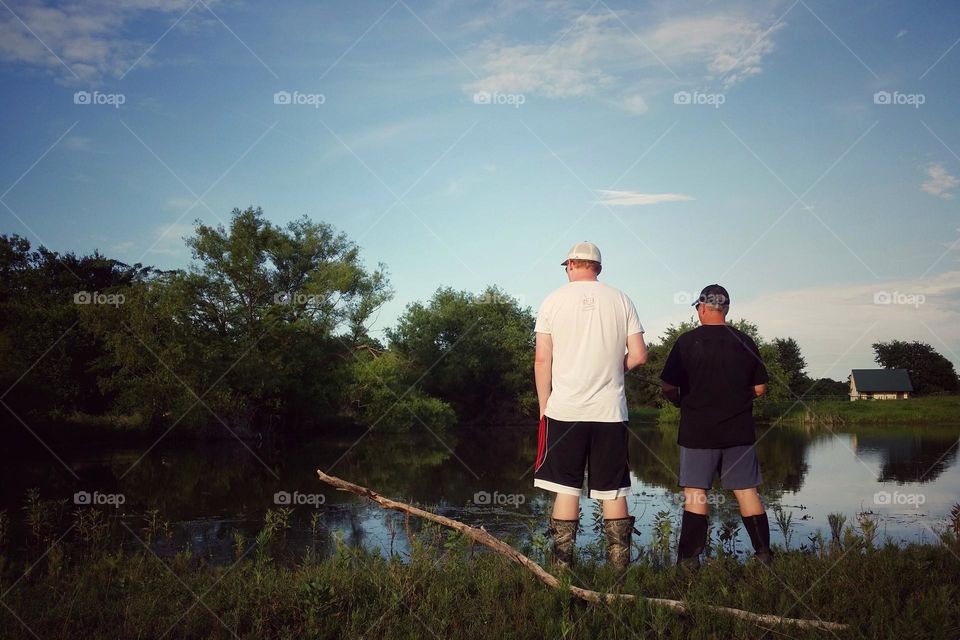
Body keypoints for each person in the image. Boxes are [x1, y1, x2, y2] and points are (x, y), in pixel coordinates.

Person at [533, 241, 648, 569]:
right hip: (610, 411)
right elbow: (639, 355)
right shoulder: (621, 298)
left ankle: (561, 569)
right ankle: (619, 571)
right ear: (598, 268)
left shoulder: (552, 300)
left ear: (571, 264)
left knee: (564, 488)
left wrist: (544, 406)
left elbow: (543, 359)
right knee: (613, 490)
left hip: (564, 410)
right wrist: (615, 368)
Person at [659, 284, 772, 569]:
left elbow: (669, 387)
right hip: (739, 431)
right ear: (726, 308)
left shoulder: (686, 342)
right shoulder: (745, 341)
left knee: (696, 493)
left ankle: (689, 562)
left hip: (698, 432)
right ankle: (763, 556)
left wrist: (678, 401)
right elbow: (760, 388)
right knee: (747, 492)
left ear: (702, 307)